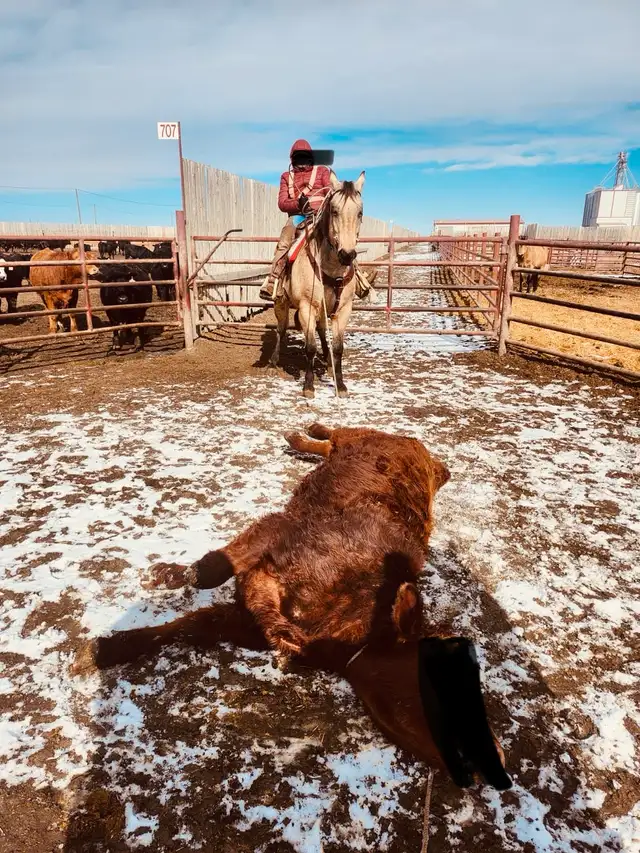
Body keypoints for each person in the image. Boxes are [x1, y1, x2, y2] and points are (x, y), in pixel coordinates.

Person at [259, 139, 375, 302]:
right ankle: (274, 280)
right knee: (285, 239)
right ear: (293, 158)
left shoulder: (321, 172)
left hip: (320, 215)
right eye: (298, 157)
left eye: (305, 157)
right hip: (298, 217)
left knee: (341, 238)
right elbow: (282, 203)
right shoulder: (286, 176)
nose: (302, 161)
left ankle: (359, 278)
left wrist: (320, 208)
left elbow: (331, 194)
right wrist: (297, 204)